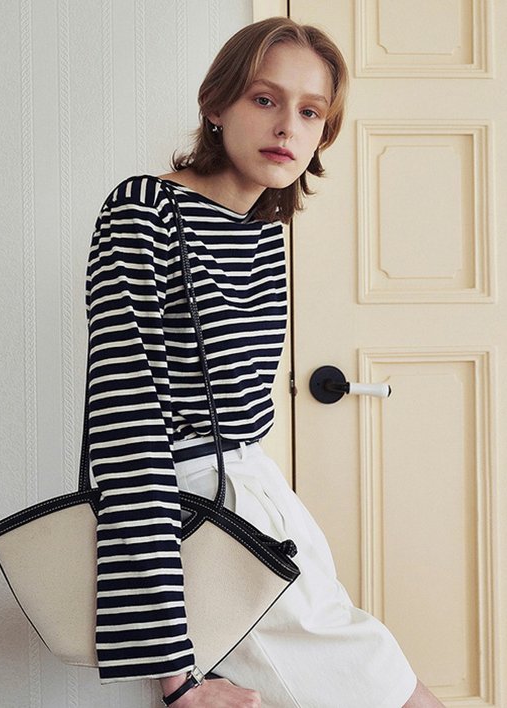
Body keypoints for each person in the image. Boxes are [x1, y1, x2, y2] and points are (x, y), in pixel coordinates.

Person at [86, 16, 445, 708]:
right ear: (215, 104)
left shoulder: (261, 234)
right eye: (264, 98)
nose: (287, 126)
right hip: (197, 517)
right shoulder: (145, 210)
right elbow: (127, 427)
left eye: (310, 111)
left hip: (263, 505)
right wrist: (176, 677)